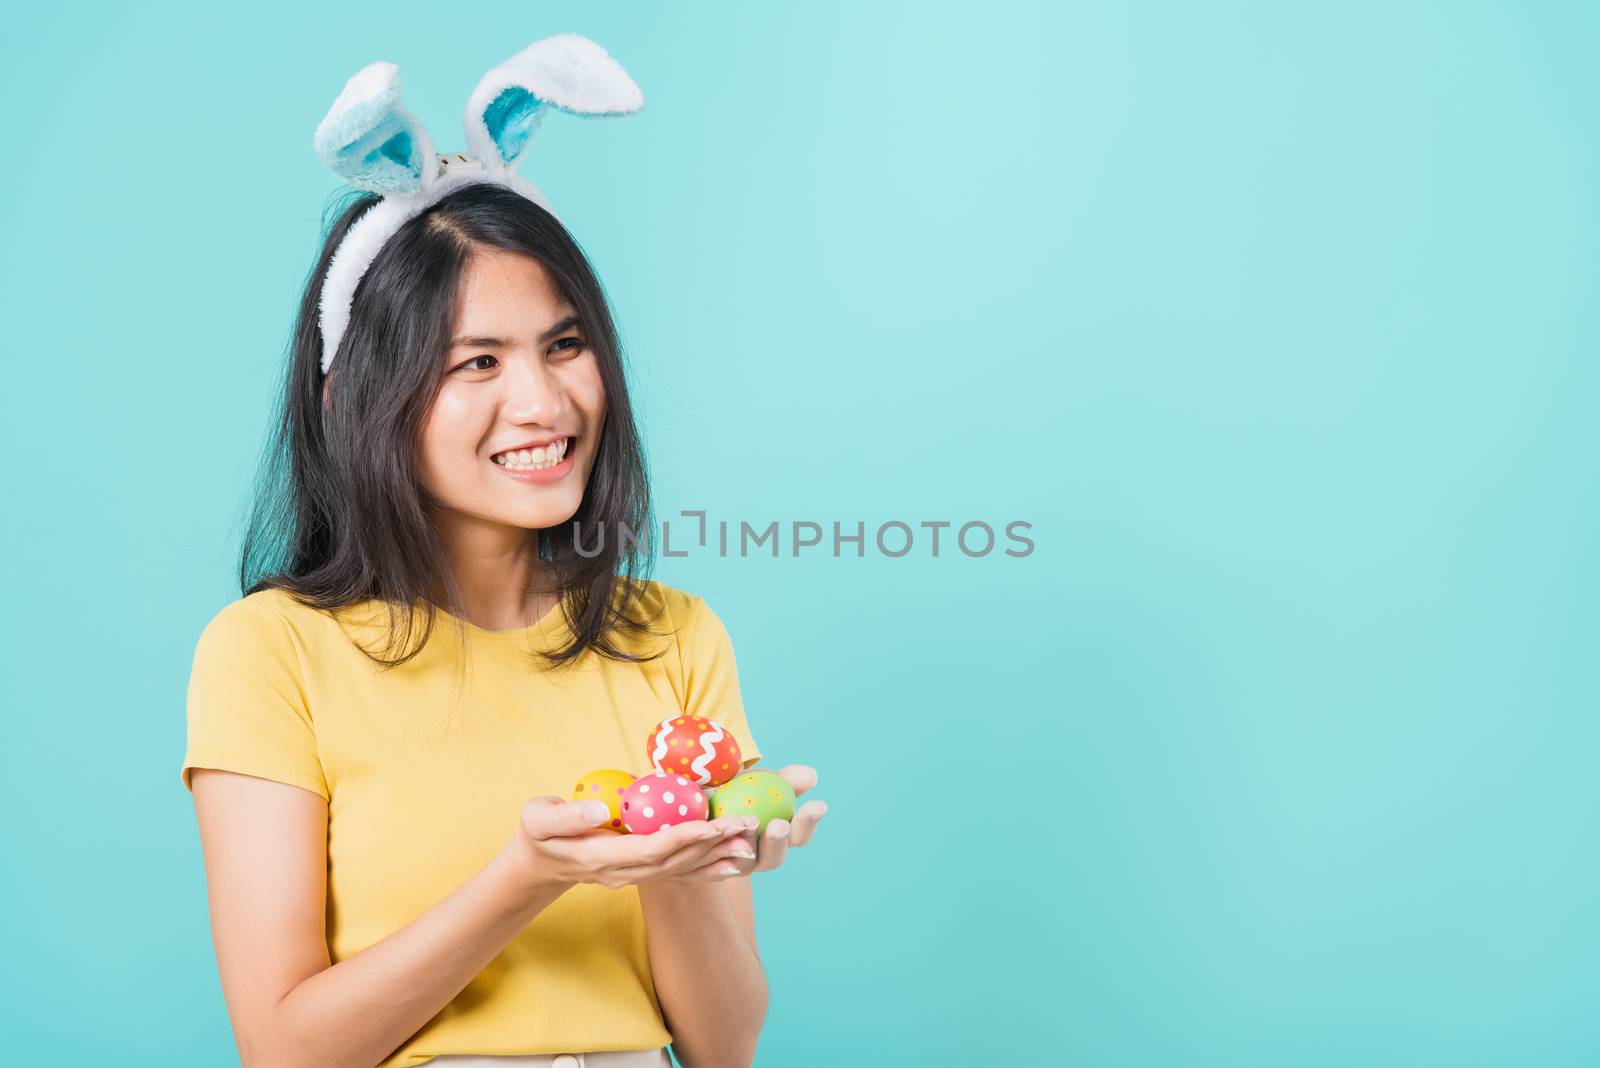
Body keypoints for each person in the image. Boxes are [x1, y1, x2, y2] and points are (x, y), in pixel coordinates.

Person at [179, 157, 827, 1067]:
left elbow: (724, 1047)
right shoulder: (271, 652)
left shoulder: (673, 637)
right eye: (478, 361)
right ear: (355, 399)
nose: (545, 403)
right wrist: (528, 877)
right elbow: (284, 1050)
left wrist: (674, 857)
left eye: (564, 346)